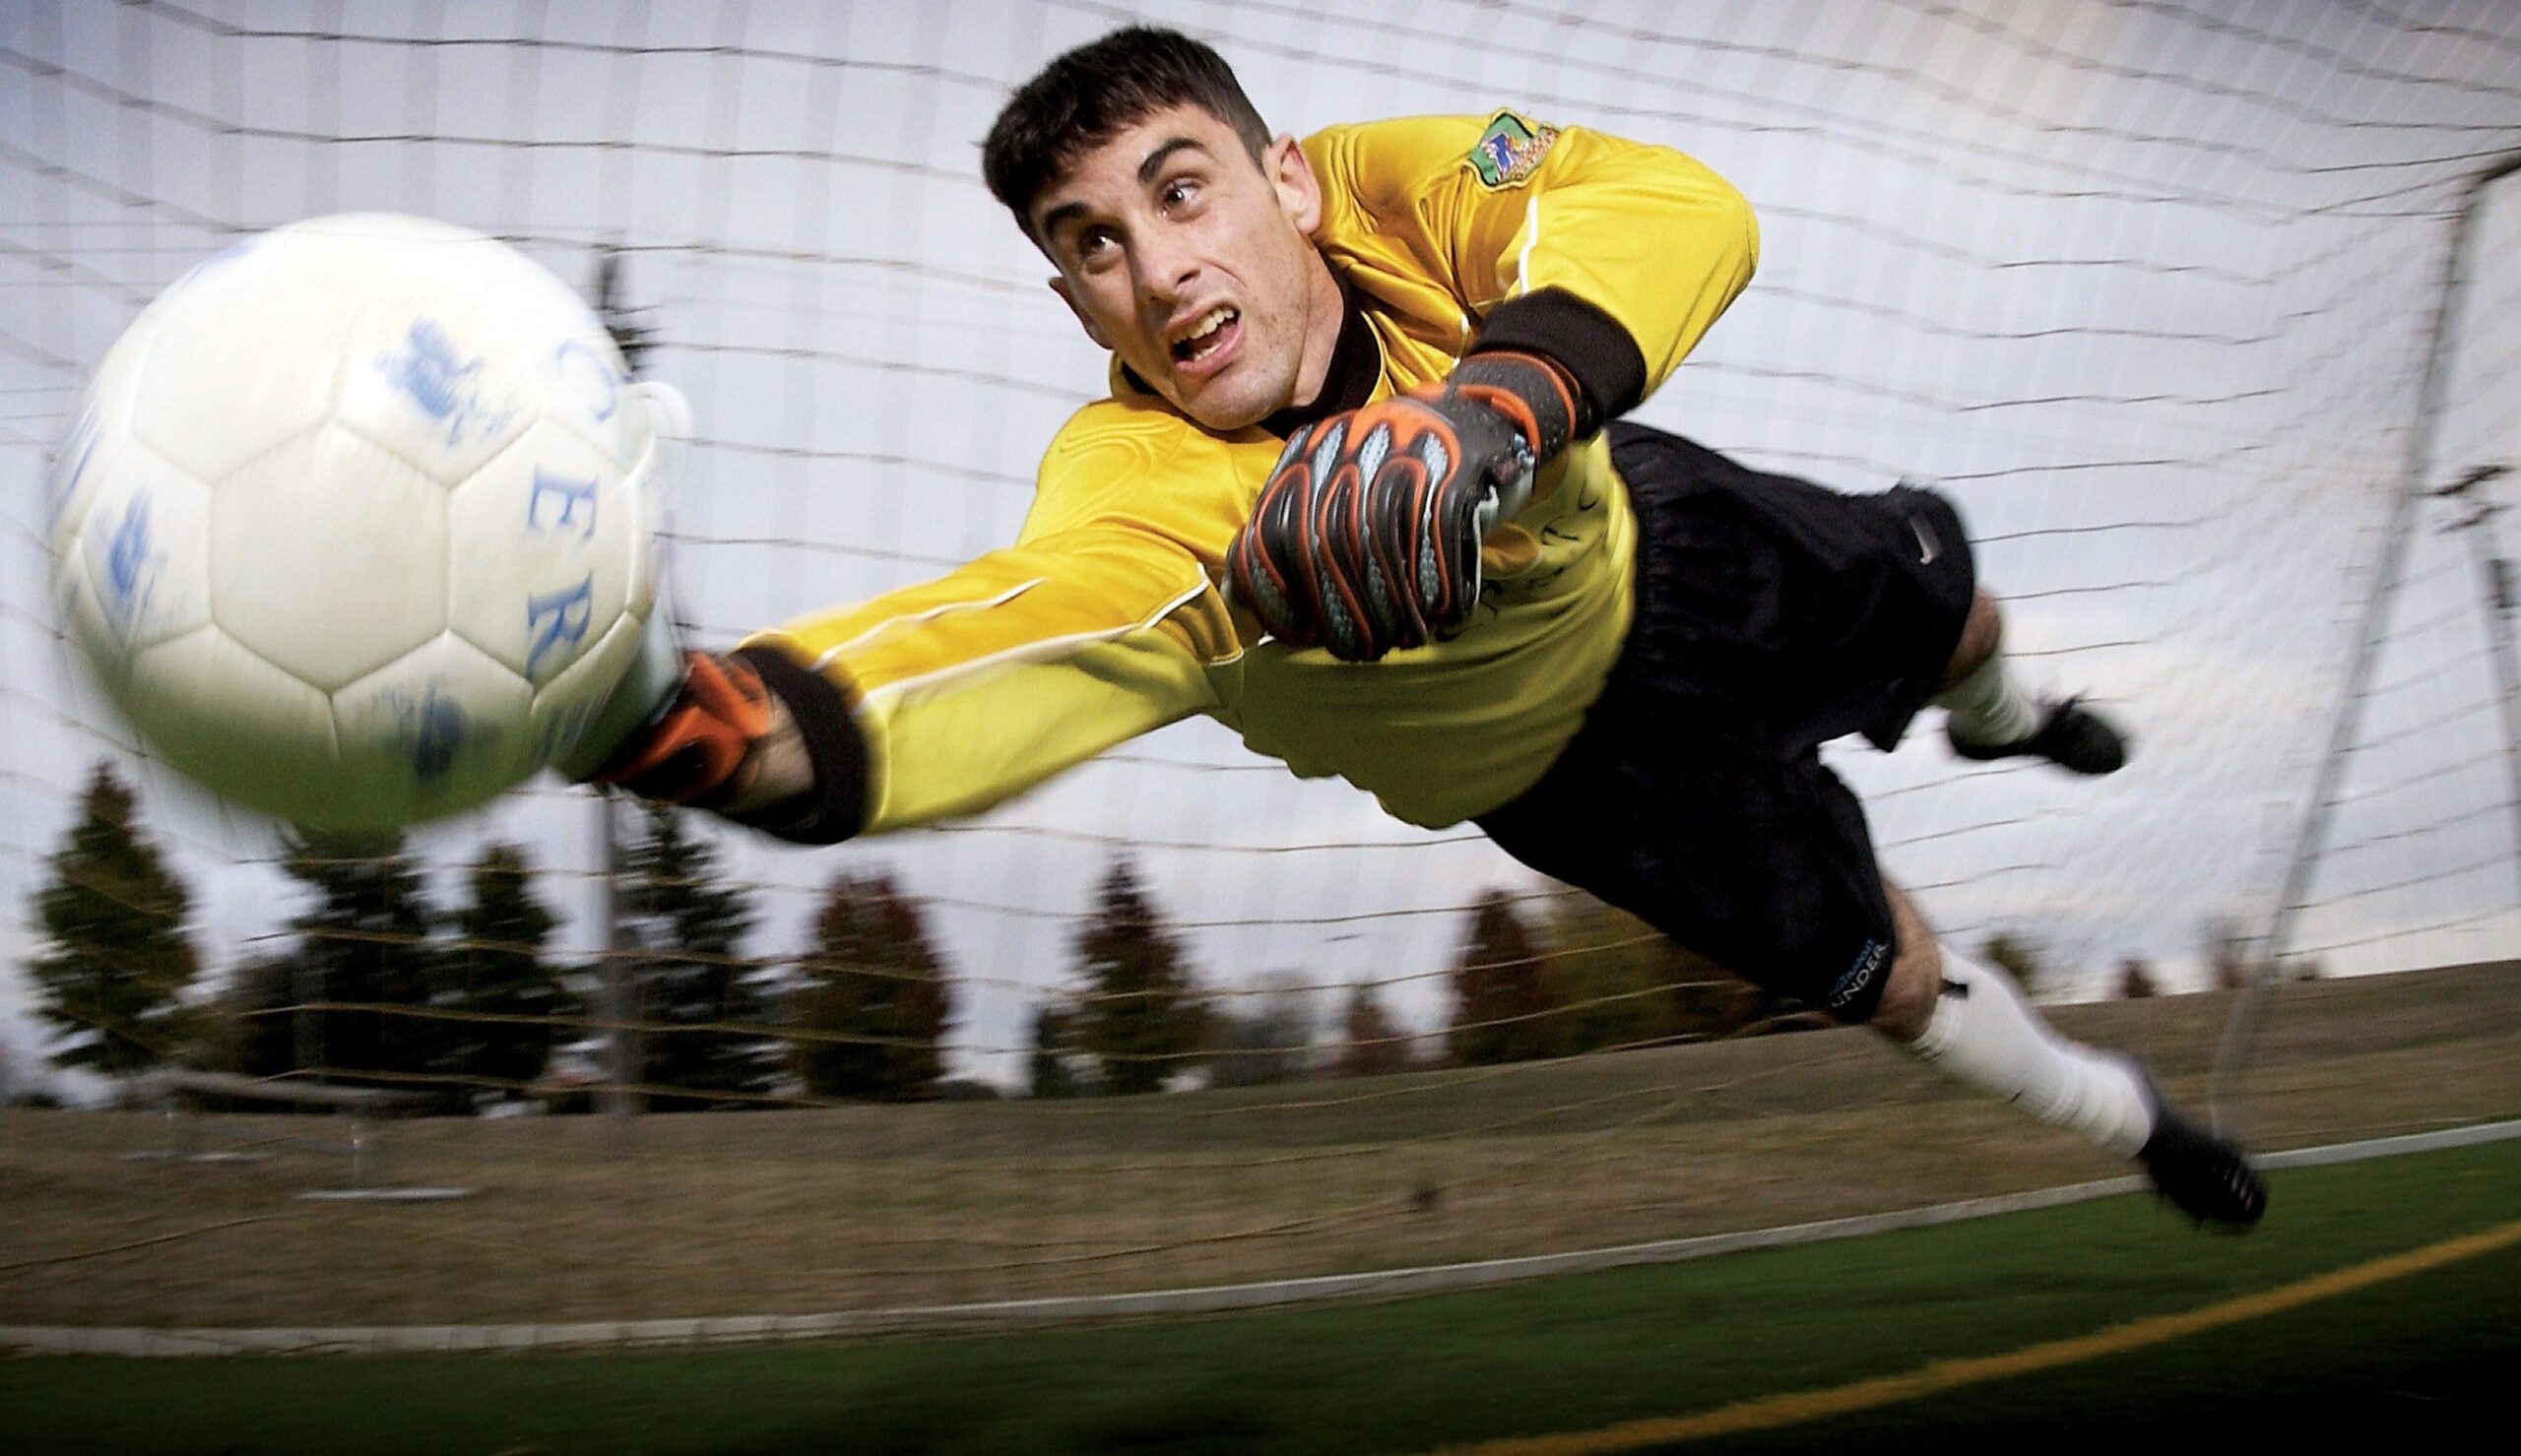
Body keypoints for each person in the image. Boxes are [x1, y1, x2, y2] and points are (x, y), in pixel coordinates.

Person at [595, 28, 2264, 1226]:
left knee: (1953, 603)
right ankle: (2136, 1124)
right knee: (1886, 976)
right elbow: (1012, 638)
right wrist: (731, 725)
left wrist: (1492, 408)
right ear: (1069, 299)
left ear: (1289, 183)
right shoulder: (1139, 486)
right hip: (1580, 777)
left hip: (1661, 538)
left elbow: (1675, 207)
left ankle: (2001, 717)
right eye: (1091, 244)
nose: (1157, 269)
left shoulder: (1414, 190)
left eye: (1181, 194)